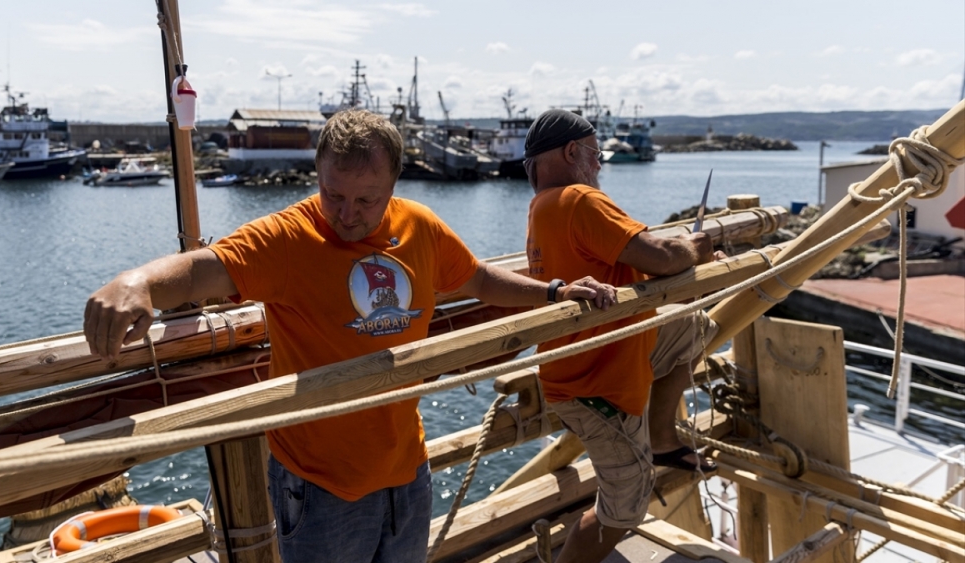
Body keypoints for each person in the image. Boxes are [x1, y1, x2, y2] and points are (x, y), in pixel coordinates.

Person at [83, 109, 616, 563]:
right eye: (333, 194)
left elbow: (475, 278)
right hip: (319, 488)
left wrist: (553, 293)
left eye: (367, 200)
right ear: (317, 175)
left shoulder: (420, 228)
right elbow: (205, 268)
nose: (346, 215)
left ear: (393, 187)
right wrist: (139, 282)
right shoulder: (290, 238)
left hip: (406, 469)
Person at [522, 109, 724, 563]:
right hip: (595, 385)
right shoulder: (577, 199)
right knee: (626, 509)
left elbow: (617, 256)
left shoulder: (542, 208)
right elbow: (660, 256)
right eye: (595, 155)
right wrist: (696, 247)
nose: (599, 165)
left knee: (691, 324)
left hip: (589, 359)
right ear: (572, 152)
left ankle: (663, 435)